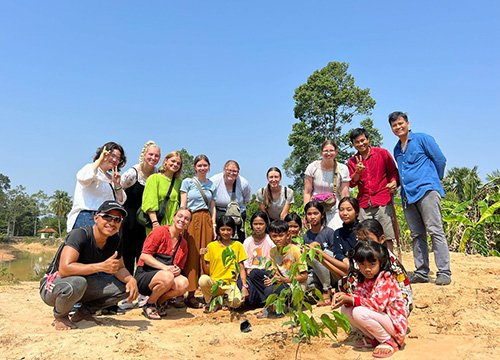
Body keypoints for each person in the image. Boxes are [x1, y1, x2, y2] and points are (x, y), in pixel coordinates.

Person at [40, 200, 138, 330]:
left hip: (83, 283)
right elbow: (64, 269)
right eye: (107, 217)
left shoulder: (115, 240)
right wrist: (101, 266)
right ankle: (61, 316)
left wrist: (131, 279)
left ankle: (84, 312)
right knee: (77, 283)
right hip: (53, 285)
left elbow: (119, 267)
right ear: (96, 218)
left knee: (124, 287)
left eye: (117, 219)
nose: (112, 222)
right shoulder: (80, 234)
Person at [389, 111, 451, 285]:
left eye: (401, 123)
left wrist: (433, 180)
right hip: (407, 196)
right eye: (394, 125)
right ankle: (422, 271)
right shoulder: (396, 149)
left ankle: (444, 271)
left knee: (435, 230)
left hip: (427, 191)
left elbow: (440, 159)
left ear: (407, 123)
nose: (398, 127)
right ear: (392, 129)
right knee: (417, 234)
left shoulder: (423, 139)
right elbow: (402, 173)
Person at [332, 240, 408, 358]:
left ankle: (388, 341)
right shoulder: (363, 279)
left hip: (394, 323)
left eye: (372, 264)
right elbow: (359, 298)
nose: (367, 269)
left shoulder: (385, 278)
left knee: (358, 312)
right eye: (362, 265)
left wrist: (351, 299)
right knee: (346, 310)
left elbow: (377, 305)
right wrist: (344, 298)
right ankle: (374, 338)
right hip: (381, 319)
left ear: (380, 262)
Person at [338, 219, 413, 316]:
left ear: (381, 239)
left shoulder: (391, 263)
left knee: (358, 312)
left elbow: (403, 294)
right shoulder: (360, 257)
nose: (365, 244)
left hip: (390, 309)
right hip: (368, 303)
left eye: (368, 240)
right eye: (360, 240)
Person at [347, 128, 399, 252]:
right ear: (353, 144)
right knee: (365, 236)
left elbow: (393, 171)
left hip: (382, 198)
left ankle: (391, 265)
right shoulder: (352, 161)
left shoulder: (382, 153)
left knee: (387, 236)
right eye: (357, 142)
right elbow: (352, 183)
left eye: (362, 140)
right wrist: (357, 172)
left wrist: (393, 182)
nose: (360, 144)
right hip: (364, 203)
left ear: (368, 139)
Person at [134, 208, 191, 320]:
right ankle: (149, 304)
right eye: (180, 216)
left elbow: (179, 266)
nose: (182, 220)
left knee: (184, 283)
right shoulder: (160, 232)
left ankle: (158, 301)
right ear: (174, 218)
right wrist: (165, 268)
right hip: (145, 275)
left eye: (186, 219)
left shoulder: (183, 243)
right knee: (168, 276)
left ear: (188, 223)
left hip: (165, 279)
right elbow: (144, 256)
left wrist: (178, 270)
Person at [180, 154, 217, 308]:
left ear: (209, 167)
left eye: (205, 165)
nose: (202, 168)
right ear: (195, 167)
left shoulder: (212, 185)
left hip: (206, 220)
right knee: (192, 256)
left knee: (205, 256)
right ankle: (190, 294)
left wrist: (213, 225)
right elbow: (183, 204)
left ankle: (208, 293)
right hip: (192, 219)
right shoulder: (187, 182)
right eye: (199, 165)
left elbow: (212, 206)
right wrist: (182, 222)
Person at [120, 141, 161, 276]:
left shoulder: (158, 175)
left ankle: (140, 284)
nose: (153, 158)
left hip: (146, 222)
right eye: (151, 154)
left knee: (144, 253)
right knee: (127, 253)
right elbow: (117, 190)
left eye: (156, 156)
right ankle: (126, 286)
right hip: (129, 219)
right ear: (144, 155)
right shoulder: (132, 173)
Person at [67, 142, 127, 231]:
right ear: (104, 153)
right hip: (86, 216)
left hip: (106, 219)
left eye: (118, 158)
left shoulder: (112, 178)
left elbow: (121, 201)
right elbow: (83, 178)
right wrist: (100, 160)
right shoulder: (91, 169)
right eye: (112, 155)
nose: (115, 160)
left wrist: (117, 184)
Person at [259, 220, 308, 318]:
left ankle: (277, 309)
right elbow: (275, 271)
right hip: (282, 282)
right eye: (274, 236)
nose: (277, 239)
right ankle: (273, 304)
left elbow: (304, 276)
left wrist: (284, 280)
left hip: (295, 285)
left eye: (281, 235)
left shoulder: (295, 250)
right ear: (270, 237)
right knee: (256, 274)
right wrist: (272, 279)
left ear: (288, 235)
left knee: (269, 290)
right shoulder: (273, 251)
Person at [199, 216, 248, 312]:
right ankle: (212, 300)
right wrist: (202, 257)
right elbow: (207, 270)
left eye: (228, 229)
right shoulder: (211, 246)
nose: (225, 232)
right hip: (215, 283)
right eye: (223, 229)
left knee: (237, 302)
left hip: (230, 284)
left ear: (233, 230)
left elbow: (242, 268)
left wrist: (244, 286)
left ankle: (224, 301)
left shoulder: (238, 245)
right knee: (203, 280)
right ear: (218, 230)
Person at [304, 139, 350, 230]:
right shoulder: (312, 167)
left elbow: (345, 194)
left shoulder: (343, 169)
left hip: (334, 208)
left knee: (336, 233)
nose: (328, 153)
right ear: (321, 153)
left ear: (336, 152)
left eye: (331, 150)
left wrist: (346, 211)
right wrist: (307, 212)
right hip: (315, 209)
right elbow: (307, 192)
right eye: (326, 151)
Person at [302, 201, 337, 306]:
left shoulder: (329, 232)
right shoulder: (305, 236)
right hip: (315, 273)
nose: (312, 217)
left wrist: (318, 250)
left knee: (315, 253)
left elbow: (335, 256)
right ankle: (325, 290)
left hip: (331, 272)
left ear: (322, 215)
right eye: (309, 214)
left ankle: (327, 290)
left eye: (315, 213)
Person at [210, 160, 252, 242]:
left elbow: (247, 199)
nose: (231, 173)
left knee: (237, 241)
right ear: (224, 170)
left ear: (238, 172)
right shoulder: (214, 181)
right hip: (219, 212)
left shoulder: (244, 183)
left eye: (235, 171)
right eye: (229, 170)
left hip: (237, 214)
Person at [141, 151, 183, 234]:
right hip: (157, 223)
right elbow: (149, 202)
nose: (175, 164)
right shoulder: (154, 178)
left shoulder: (179, 183)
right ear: (166, 161)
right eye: (173, 161)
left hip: (173, 226)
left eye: (178, 163)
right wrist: (155, 223)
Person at [242, 211, 275, 307]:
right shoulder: (247, 241)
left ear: (266, 225)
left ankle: (264, 300)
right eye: (255, 224)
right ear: (251, 225)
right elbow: (244, 262)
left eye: (261, 224)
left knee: (255, 273)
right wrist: (248, 270)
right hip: (249, 273)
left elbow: (274, 262)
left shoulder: (270, 240)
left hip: (265, 273)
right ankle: (263, 299)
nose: (258, 227)